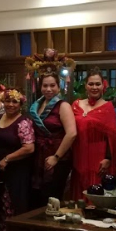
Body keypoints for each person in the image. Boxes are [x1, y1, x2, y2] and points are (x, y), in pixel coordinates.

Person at [0, 88, 35, 231]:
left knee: (13, 206)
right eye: (7, 101)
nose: (10, 104)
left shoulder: (23, 122)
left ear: (20, 104)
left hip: (17, 171)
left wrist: (8, 159)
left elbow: (29, 148)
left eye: (14, 101)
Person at [29, 69, 76, 207]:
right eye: (45, 85)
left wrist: (56, 157)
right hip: (39, 154)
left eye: (52, 85)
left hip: (57, 156)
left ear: (58, 86)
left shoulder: (63, 106)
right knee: (37, 196)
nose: (48, 89)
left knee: (52, 196)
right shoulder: (37, 106)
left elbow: (71, 133)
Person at [71, 69, 116, 200]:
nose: (94, 87)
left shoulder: (108, 107)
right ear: (86, 85)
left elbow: (112, 136)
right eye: (91, 84)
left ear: (103, 86)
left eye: (98, 84)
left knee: (95, 191)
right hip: (79, 154)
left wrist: (108, 158)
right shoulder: (76, 105)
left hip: (98, 156)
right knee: (79, 191)